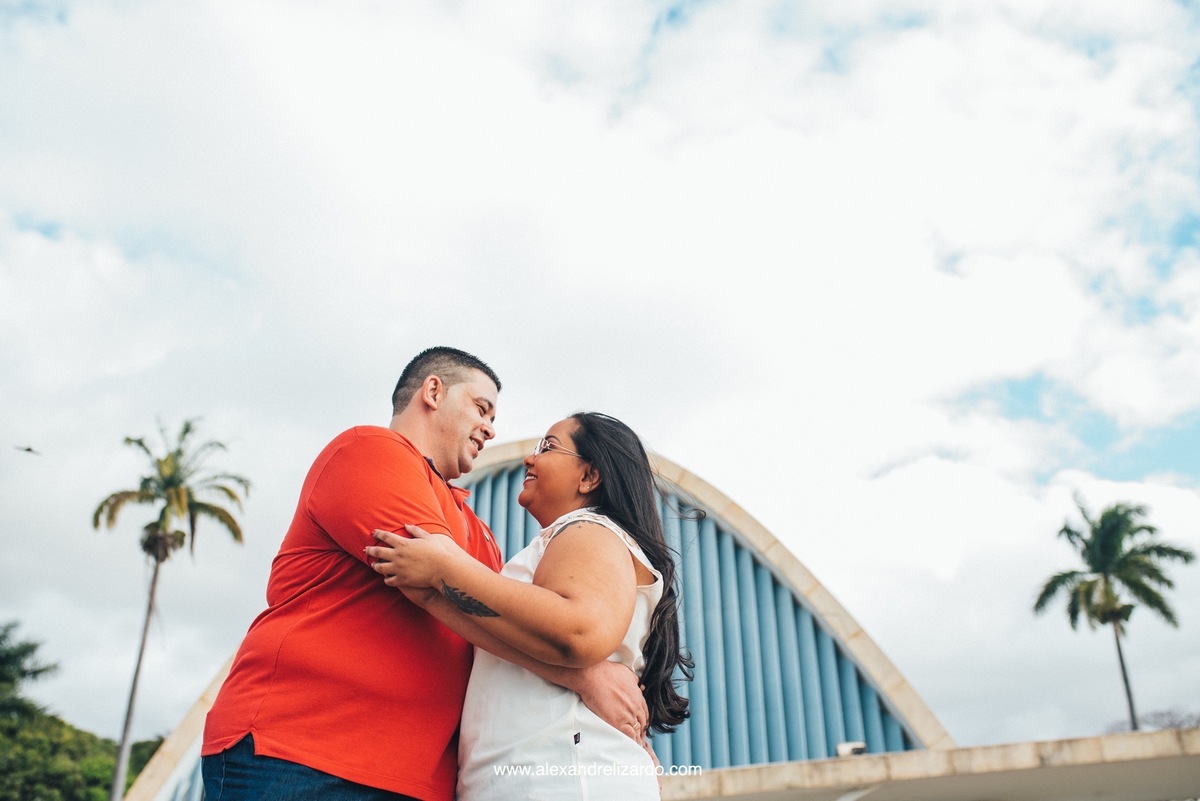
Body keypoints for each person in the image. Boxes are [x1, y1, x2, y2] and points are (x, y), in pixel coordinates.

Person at [201, 350, 647, 801]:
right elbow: (436, 583)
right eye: (481, 408)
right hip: (307, 751)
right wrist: (584, 676)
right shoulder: (372, 451)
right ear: (433, 391)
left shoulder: (482, 535)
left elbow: (499, 622)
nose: (491, 428)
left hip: (418, 779)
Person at [367, 412, 692, 799]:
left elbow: (578, 631)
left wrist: (444, 569)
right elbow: (512, 634)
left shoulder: (589, 529)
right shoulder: (567, 540)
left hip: (562, 778)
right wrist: (432, 592)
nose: (530, 458)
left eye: (548, 447)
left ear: (589, 476)